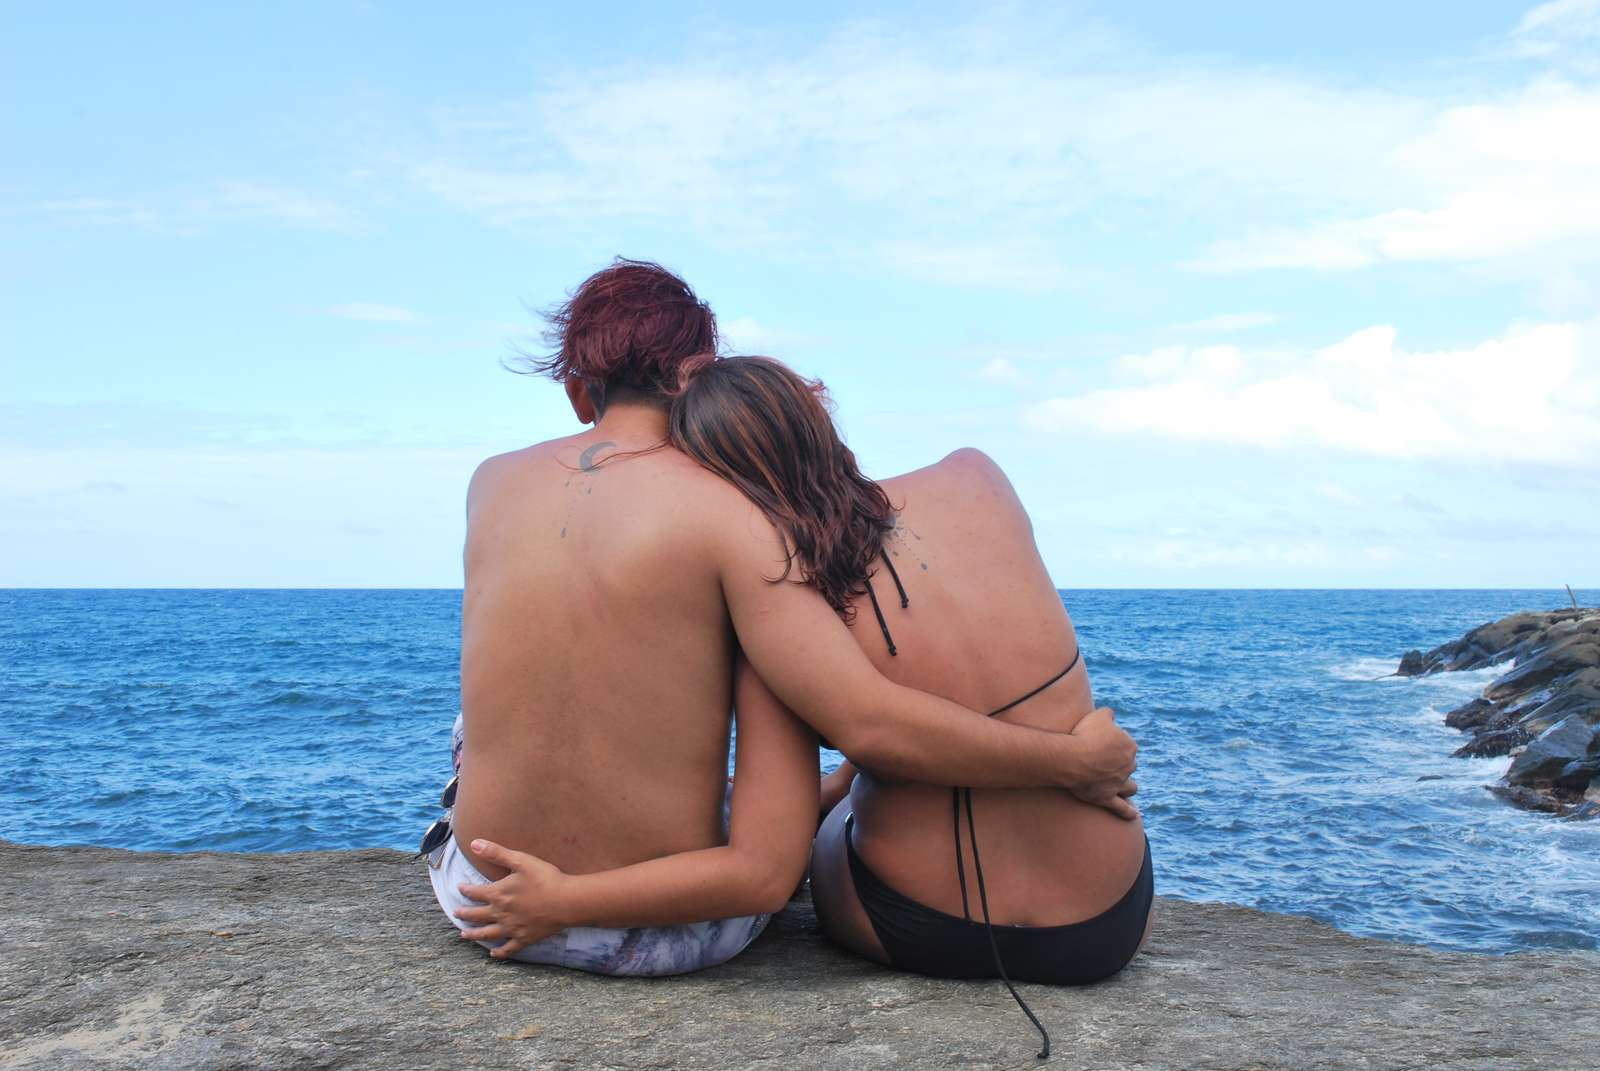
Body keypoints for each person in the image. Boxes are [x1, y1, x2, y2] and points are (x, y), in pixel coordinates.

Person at [425, 261, 1139, 978]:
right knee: (772, 688)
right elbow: (823, 788)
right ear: (696, 374)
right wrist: (1072, 761)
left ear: (579, 390)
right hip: (658, 933)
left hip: (488, 899)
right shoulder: (744, 518)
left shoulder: (488, 480)